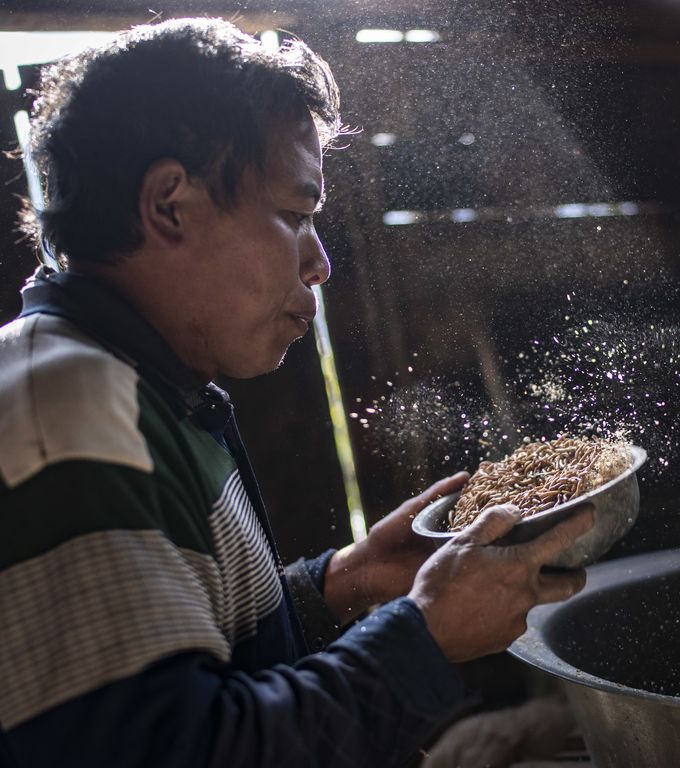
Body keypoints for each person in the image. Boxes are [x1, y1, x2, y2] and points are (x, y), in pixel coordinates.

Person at [0, 18, 593, 768]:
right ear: (170, 205)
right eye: (294, 214)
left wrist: (343, 583)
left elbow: (193, 644)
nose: (319, 265)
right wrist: (424, 635)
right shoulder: (66, 417)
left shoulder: (140, 389)